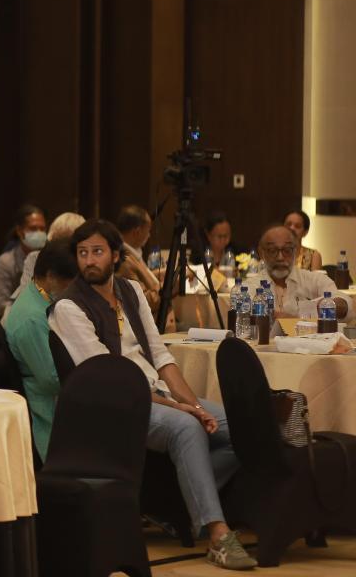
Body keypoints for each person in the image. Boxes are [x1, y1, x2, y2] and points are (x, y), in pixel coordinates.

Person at [49, 220, 254, 569]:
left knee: (243, 428)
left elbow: (160, 356)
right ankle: (218, 534)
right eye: (82, 253)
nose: (89, 261)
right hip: (113, 406)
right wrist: (182, 410)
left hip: (154, 392)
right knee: (187, 427)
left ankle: (176, 504)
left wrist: (191, 403)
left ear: (116, 256)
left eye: (97, 252)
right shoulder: (69, 307)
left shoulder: (130, 290)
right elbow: (111, 381)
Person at [3, 241, 78, 462]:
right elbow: (50, 380)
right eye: (69, 282)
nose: (73, 287)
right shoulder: (31, 318)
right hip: (48, 405)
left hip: (58, 392)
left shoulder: (38, 295)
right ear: (51, 276)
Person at [244, 224, 347, 329]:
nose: (280, 257)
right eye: (272, 250)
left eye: (287, 250)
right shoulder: (250, 286)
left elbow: (344, 302)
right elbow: (245, 314)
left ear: (296, 251)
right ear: (261, 253)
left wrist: (334, 305)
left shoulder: (312, 279)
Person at [0, 204, 47, 325]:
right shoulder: (7, 261)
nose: (39, 233)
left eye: (42, 229)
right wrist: (24, 311)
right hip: (17, 321)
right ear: (19, 231)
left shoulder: (50, 257)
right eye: (33, 229)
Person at [116, 204, 162, 316]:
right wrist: (170, 286)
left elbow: (142, 278)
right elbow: (144, 302)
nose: (149, 235)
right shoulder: (124, 260)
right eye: (148, 230)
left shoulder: (132, 252)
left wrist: (159, 274)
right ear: (137, 232)